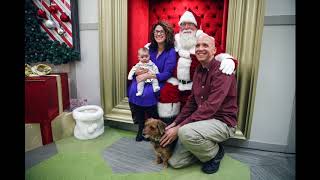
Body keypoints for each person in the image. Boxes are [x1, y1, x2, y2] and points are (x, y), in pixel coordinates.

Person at [159, 34, 238, 174]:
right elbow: (192, 101)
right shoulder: (198, 70)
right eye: (197, 46)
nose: (200, 49)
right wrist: (176, 122)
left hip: (223, 122)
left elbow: (210, 107)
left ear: (214, 51)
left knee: (185, 132)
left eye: (205, 45)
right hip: (202, 121)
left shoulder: (223, 71)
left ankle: (215, 153)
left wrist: (179, 128)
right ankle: (203, 145)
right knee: (175, 162)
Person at [157, 9, 238, 124]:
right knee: (166, 98)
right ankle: (167, 128)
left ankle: (185, 130)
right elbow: (159, 45)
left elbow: (219, 54)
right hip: (175, 82)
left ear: (196, 27)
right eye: (183, 24)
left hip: (195, 83)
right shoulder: (175, 41)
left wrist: (230, 60)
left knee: (191, 107)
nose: (186, 27)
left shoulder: (203, 41)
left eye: (190, 24)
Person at [128, 21, 177, 141]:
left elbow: (167, 73)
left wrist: (149, 75)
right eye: (156, 31)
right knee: (133, 89)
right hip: (143, 77)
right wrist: (139, 73)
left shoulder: (171, 51)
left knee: (148, 93)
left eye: (161, 31)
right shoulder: (149, 48)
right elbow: (140, 62)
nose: (158, 34)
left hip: (158, 79)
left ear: (167, 33)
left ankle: (153, 128)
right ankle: (141, 126)